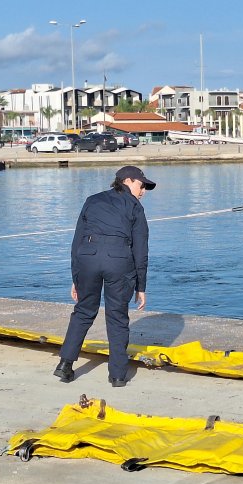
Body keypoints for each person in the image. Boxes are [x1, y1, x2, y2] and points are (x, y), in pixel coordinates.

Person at [54, 165, 156, 386]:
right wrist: (141, 286)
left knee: (83, 311)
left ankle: (65, 365)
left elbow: (77, 240)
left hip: (87, 259)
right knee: (117, 316)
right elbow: (141, 249)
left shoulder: (92, 200)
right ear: (127, 181)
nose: (144, 190)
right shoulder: (134, 207)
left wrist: (76, 276)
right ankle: (117, 376)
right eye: (142, 185)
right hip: (119, 261)